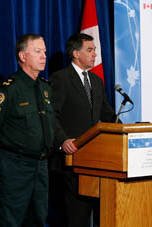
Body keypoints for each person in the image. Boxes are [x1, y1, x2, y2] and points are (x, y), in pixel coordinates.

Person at [0, 33, 54, 227]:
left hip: (40, 167)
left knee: (38, 219)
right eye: (38, 51)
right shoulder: (8, 90)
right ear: (22, 56)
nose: (44, 56)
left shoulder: (45, 88)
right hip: (13, 169)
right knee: (8, 221)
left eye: (44, 51)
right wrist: (9, 156)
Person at [49, 33, 118, 227]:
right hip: (71, 160)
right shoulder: (61, 78)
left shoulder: (96, 81)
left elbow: (107, 114)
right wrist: (62, 141)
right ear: (75, 53)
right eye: (90, 50)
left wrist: (125, 129)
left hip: (96, 161)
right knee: (76, 217)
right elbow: (51, 115)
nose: (95, 54)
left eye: (95, 50)